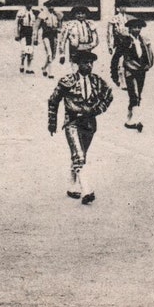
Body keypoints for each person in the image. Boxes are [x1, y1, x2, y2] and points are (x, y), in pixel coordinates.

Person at [48, 50, 113, 205]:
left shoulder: (97, 81)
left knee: (80, 154)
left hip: (90, 124)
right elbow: (53, 100)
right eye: (85, 63)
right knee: (79, 156)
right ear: (78, 64)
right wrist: (52, 122)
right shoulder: (67, 80)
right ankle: (87, 190)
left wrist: (98, 110)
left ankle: (72, 187)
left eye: (91, 63)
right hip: (72, 122)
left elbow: (109, 95)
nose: (89, 65)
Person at [121, 18, 154, 132]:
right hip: (130, 71)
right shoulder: (125, 41)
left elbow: (149, 54)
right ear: (129, 29)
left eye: (139, 27)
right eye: (134, 27)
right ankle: (136, 120)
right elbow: (123, 58)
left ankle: (129, 119)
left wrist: (148, 65)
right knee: (134, 94)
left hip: (141, 70)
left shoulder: (144, 41)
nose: (137, 29)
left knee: (137, 94)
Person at [107, 0, 134, 89]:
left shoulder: (129, 18)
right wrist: (110, 45)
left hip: (128, 41)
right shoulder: (114, 19)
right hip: (119, 42)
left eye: (125, 7)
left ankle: (128, 80)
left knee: (128, 61)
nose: (123, 8)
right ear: (117, 8)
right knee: (120, 62)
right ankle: (121, 81)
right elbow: (110, 33)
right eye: (121, 7)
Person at [34, 0, 62, 79]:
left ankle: (44, 67)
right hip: (46, 35)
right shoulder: (42, 15)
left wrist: (59, 28)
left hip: (54, 35)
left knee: (53, 56)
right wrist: (35, 37)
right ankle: (50, 73)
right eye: (49, 6)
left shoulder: (57, 14)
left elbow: (60, 26)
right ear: (46, 7)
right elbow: (36, 26)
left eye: (52, 6)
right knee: (49, 53)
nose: (51, 7)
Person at [15, 4, 37, 74]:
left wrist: (35, 36)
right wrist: (17, 33)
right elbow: (17, 24)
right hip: (23, 31)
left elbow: (35, 25)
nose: (30, 5)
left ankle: (29, 67)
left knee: (30, 50)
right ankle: (22, 64)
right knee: (23, 49)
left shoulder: (33, 12)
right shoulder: (21, 12)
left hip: (30, 32)